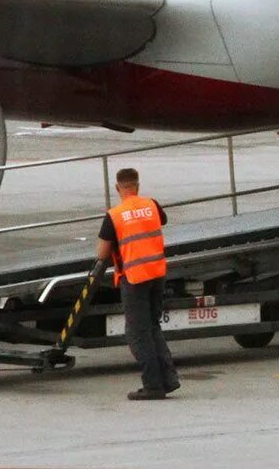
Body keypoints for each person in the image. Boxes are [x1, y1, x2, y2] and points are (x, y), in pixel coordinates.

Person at [96, 167, 180, 400]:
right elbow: (159, 221)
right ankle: (169, 380)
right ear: (138, 186)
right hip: (157, 274)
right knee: (153, 327)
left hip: (134, 278)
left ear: (117, 188)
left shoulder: (114, 215)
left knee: (137, 334)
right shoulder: (152, 205)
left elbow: (101, 253)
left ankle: (153, 385)